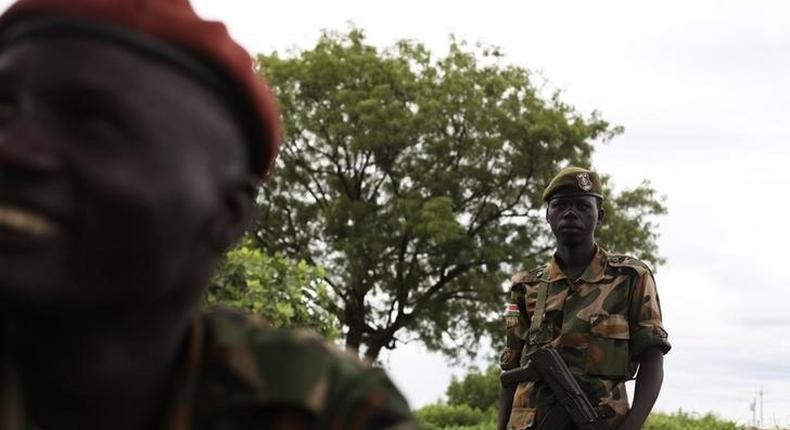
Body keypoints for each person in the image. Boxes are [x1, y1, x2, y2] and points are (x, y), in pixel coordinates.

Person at [0, 0, 416, 428]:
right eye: (2, 113)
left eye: (92, 123)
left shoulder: (316, 401)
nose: (11, 149)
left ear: (228, 213)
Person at [498, 166, 670, 430]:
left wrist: (632, 426)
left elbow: (652, 358)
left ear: (599, 216)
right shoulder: (526, 286)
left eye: (581, 206)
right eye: (560, 205)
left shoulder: (630, 278)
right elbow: (510, 371)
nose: (569, 213)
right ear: (548, 215)